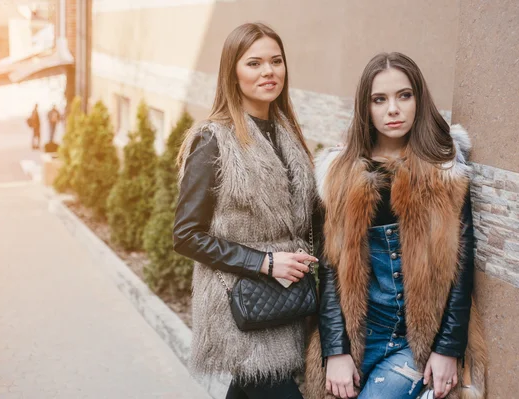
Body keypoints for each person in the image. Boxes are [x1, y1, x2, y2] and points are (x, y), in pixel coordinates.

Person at [304, 52, 488, 399]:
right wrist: (336, 350)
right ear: (366, 107)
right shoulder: (341, 175)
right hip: (361, 335)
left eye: (404, 95)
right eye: (379, 99)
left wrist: (448, 349)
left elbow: (461, 269)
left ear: (419, 99)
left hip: (419, 337)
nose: (393, 109)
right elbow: (330, 270)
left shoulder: (444, 169)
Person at [173, 23, 317, 399]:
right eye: (254, 63)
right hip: (238, 305)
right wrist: (265, 262)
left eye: (276, 61)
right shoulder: (213, 138)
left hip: (284, 302)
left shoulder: (288, 132)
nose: (269, 72)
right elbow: (186, 235)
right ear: (232, 74)